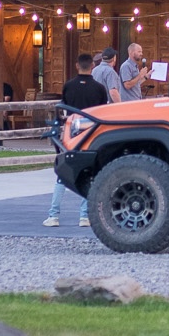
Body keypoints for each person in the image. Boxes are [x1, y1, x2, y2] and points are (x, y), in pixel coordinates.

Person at [46, 55, 108, 227]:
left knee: (62, 174)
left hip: (71, 131)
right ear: (92, 66)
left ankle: (54, 215)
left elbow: (64, 107)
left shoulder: (68, 86)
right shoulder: (99, 88)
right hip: (90, 132)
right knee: (89, 173)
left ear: (76, 65)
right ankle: (84, 215)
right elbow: (103, 110)